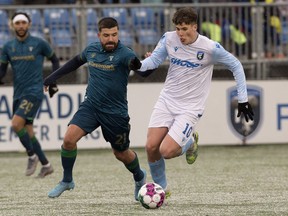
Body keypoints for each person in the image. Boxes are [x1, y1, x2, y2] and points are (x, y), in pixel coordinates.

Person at [130, 7, 254, 197]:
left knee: (167, 151)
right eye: (178, 28)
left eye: (185, 29)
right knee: (151, 147)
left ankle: (189, 143)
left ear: (195, 27)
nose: (180, 33)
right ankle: (162, 188)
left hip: (190, 108)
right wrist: (138, 64)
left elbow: (236, 65)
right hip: (167, 100)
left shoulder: (210, 48)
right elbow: (153, 61)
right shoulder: (168, 38)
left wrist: (243, 100)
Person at [44, 17, 146, 200]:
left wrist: (141, 64)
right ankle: (67, 180)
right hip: (91, 106)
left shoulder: (125, 53)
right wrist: (52, 77)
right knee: (68, 139)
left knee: (121, 153)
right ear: (99, 35)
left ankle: (139, 177)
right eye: (106, 35)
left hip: (115, 113)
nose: (111, 39)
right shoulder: (91, 49)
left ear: (118, 34)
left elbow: (141, 70)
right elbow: (75, 62)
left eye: (114, 35)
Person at [0, 12, 59, 178]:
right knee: (28, 130)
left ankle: (32, 156)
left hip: (34, 91)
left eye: (23, 23)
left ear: (29, 24)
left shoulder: (39, 43)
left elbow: (55, 60)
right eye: (17, 23)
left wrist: (52, 81)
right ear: (12, 25)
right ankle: (46, 164)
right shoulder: (7, 46)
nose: (20, 26)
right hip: (17, 93)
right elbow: (2, 69)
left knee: (16, 124)